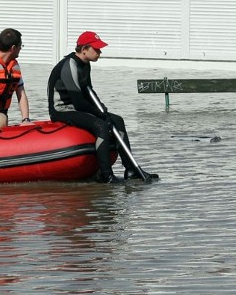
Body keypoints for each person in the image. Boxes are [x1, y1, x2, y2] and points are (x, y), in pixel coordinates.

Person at [47, 31, 159, 183]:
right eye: (97, 49)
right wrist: (98, 113)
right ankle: (106, 175)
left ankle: (131, 169)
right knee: (100, 125)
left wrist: (101, 108)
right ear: (84, 49)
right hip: (62, 110)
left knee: (118, 120)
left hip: (77, 106)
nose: (100, 52)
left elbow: (89, 92)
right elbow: (79, 102)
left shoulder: (85, 65)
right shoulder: (70, 65)